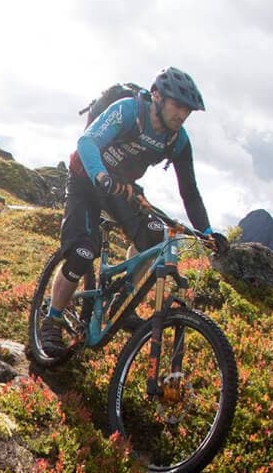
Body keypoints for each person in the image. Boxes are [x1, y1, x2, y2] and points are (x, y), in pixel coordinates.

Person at [38, 67, 228, 357]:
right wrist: (101, 176)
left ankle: (121, 303)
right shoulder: (128, 111)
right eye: (177, 105)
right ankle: (51, 321)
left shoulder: (178, 140)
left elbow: (189, 190)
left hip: (121, 188)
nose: (181, 115)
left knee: (154, 237)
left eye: (187, 110)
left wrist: (206, 232)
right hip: (86, 180)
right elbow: (87, 142)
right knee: (82, 252)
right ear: (157, 97)